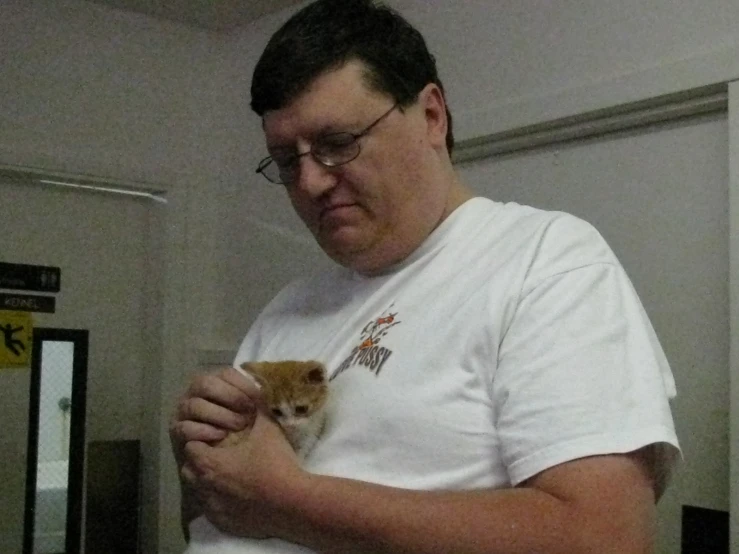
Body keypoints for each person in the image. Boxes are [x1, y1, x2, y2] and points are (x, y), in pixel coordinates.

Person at [170, 0, 680, 552]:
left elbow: (604, 538)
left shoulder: (546, 261)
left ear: (432, 115)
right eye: (287, 161)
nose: (311, 182)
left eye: (338, 144)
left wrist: (286, 499)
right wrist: (202, 458)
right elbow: (220, 518)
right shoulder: (288, 309)